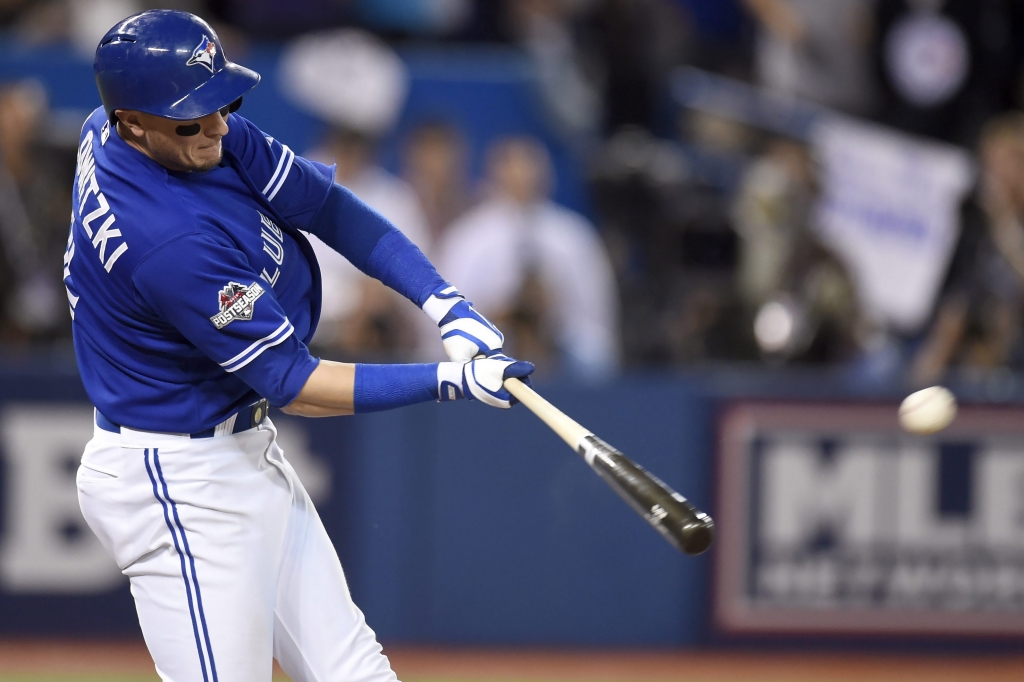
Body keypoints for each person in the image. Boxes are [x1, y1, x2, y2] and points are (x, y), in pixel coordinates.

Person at [65, 10, 533, 682]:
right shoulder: (167, 241)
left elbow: (326, 207)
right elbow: (296, 386)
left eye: (221, 103)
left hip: (239, 448)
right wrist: (445, 381)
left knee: (358, 674)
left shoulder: (155, 128)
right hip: (177, 483)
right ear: (132, 124)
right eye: (193, 116)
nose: (220, 126)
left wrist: (444, 302)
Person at [437, 136, 619, 378]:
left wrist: (553, 312)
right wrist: (501, 313)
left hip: (560, 346)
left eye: (529, 166)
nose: (522, 176)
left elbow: (597, 317)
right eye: (512, 166)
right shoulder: (469, 237)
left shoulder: (572, 235)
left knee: (592, 353)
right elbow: (446, 315)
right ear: (495, 173)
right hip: (493, 345)